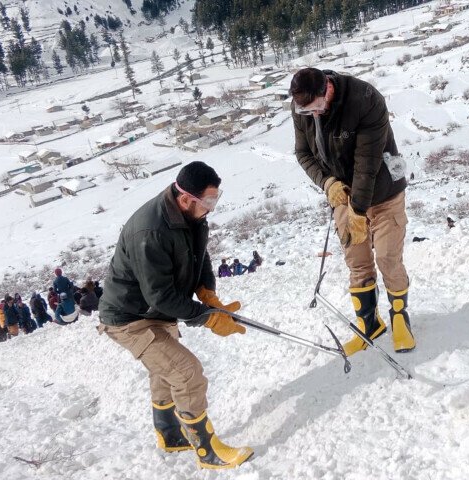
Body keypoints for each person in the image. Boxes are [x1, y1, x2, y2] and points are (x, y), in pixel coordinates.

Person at [98, 161, 252, 470]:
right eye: (208, 200)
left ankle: (168, 434)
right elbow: (162, 297)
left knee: (164, 372)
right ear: (186, 198)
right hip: (129, 317)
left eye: (215, 198)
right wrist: (208, 317)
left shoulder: (193, 215)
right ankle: (207, 451)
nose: (212, 206)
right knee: (185, 372)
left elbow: (200, 256)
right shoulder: (150, 231)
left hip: (153, 310)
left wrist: (207, 292)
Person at [290, 67, 415, 356]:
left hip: (383, 190)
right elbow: (303, 153)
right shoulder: (303, 107)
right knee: (357, 262)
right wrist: (327, 182)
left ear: (328, 89)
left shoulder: (366, 99)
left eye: (317, 108)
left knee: (387, 257)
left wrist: (358, 209)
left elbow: (366, 164)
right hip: (344, 195)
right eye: (307, 112)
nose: (314, 115)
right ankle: (369, 324)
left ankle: (400, 318)